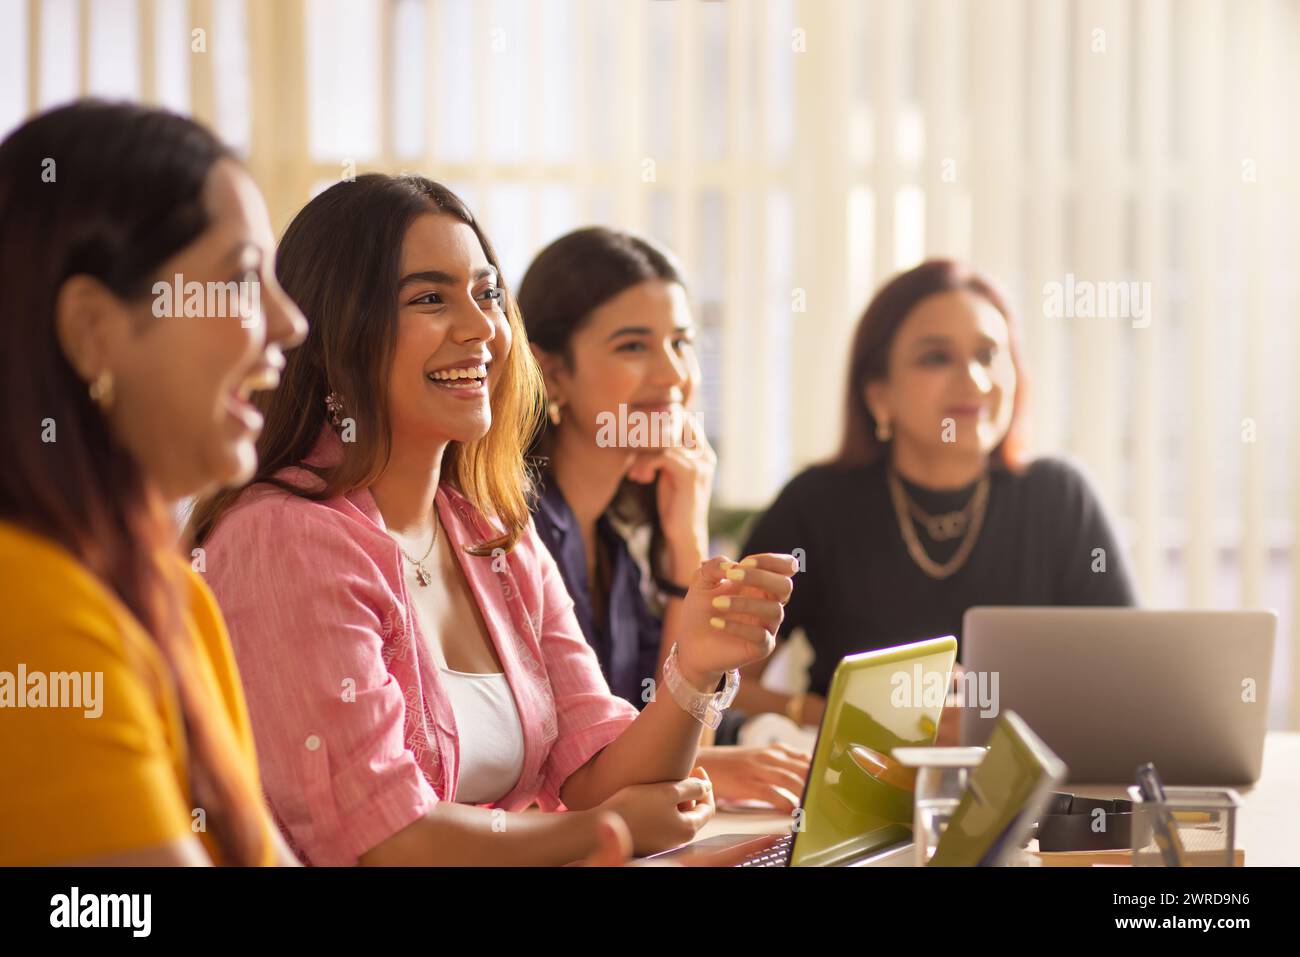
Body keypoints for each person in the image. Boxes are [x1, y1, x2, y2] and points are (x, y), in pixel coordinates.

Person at [186, 175, 799, 865]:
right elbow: (386, 840)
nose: (483, 329)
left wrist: (697, 669)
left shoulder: (489, 530)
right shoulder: (283, 537)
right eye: (429, 298)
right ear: (336, 337)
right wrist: (606, 832)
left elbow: (594, 766)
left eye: (486, 294)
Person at [0, 101, 308, 865]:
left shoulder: (173, 594)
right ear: (92, 331)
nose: (289, 321)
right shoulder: (26, 603)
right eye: (240, 278)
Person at [739, 259, 1137, 734]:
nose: (974, 380)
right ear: (878, 396)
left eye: (989, 354)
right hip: (859, 779)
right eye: (936, 358)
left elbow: (1130, 685)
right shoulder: (815, 504)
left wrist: (1000, 715)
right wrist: (840, 716)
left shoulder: (1060, 498)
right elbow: (720, 685)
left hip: (1030, 789)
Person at [518, 227, 810, 812]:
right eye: (633, 346)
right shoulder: (516, 531)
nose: (673, 374)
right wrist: (712, 768)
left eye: (682, 343)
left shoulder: (621, 546)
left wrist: (687, 542)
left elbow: (681, 728)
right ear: (552, 375)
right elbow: (570, 780)